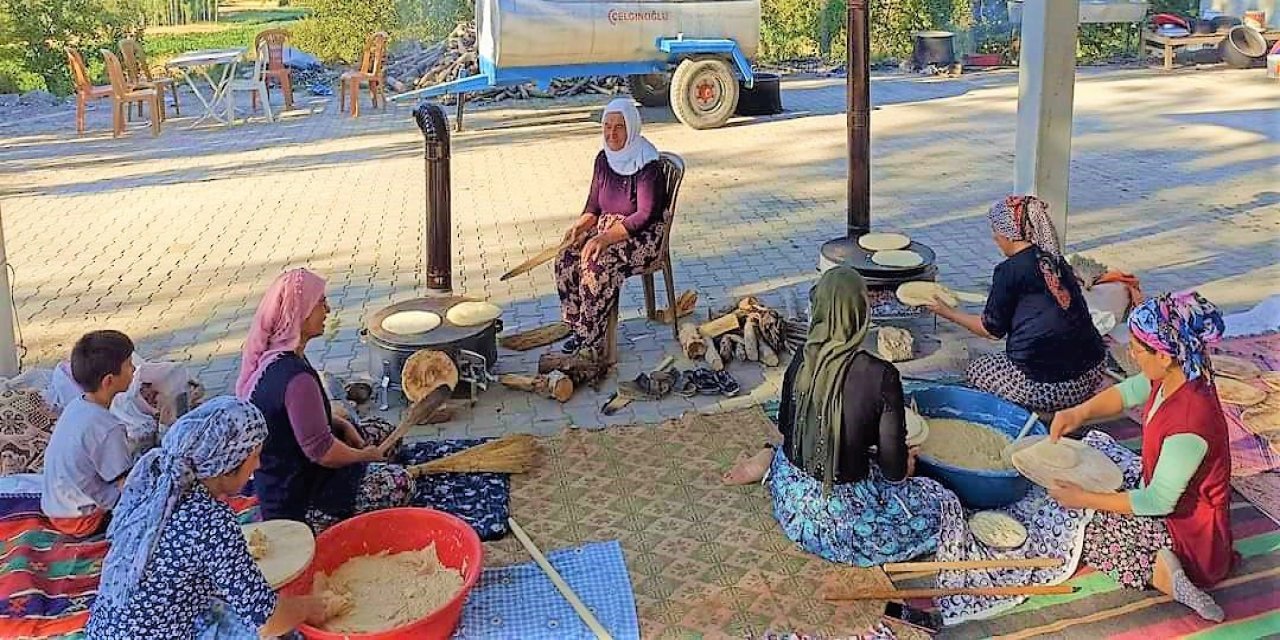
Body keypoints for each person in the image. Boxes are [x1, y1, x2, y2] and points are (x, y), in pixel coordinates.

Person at [723, 267, 950, 566]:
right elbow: (894, 472)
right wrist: (905, 464)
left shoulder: (802, 357)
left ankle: (771, 460)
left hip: (794, 494)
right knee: (942, 503)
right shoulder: (881, 375)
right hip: (840, 524)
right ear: (860, 313)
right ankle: (771, 459)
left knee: (818, 449)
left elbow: (786, 425)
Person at [1048, 291, 1232, 622]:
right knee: (1097, 445)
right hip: (1161, 488)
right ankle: (1164, 564)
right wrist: (1078, 412)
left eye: (1137, 347)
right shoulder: (1174, 376)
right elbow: (1128, 392)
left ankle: (1172, 576)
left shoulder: (1191, 421)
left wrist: (1081, 498)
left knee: (1088, 527)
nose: (1130, 352)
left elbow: (1159, 501)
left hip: (1188, 528)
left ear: (1163, 356)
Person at [86, 397, 335, 638]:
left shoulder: (157, 479)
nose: (258, 466)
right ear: (227, 465)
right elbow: (268, 621)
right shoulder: (210, 521)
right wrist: (311, 607)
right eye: (254, 456)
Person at [237, 268, 414, 532]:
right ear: (302, 312)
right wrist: (362, 456)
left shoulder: (277, 356)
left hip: (298, 470)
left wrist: (344, 428)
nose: (328, 310)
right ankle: (319, 523)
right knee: (400, 482)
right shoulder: (295, 378)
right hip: (298, 497)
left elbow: (298, 421)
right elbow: (321, 452)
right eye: (321, 302)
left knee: (387, 433)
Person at [928, 195, 1106, 413]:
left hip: (1052, 388)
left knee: (976, 369)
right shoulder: (1054, 259)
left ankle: (1036, 410)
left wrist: (946, 312)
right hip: (1095, 369)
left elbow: (990, 330)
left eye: (996, 231)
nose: (995, 238)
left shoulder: (1009, 271)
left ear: (1009, 235)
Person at [556, 97, 669, 356]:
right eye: (607, 126)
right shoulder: (603, 159)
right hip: (608, 230)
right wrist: (579, 228)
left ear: (632, 127)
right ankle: (578, 325)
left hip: (642, 236)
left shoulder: (646, 163)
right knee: (566, 256)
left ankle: (591, 338)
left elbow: (644, 215)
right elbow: (593, 206)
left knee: (597, 263)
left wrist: (604, 239)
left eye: (619, 127)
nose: (611, 133)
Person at [41, 330, 137, 536]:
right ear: (109, 381)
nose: (134, 370)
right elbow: (126, 483)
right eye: (129, 365)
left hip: (55, 507)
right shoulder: (107, 427)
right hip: (83, 519)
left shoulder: (77, 405)